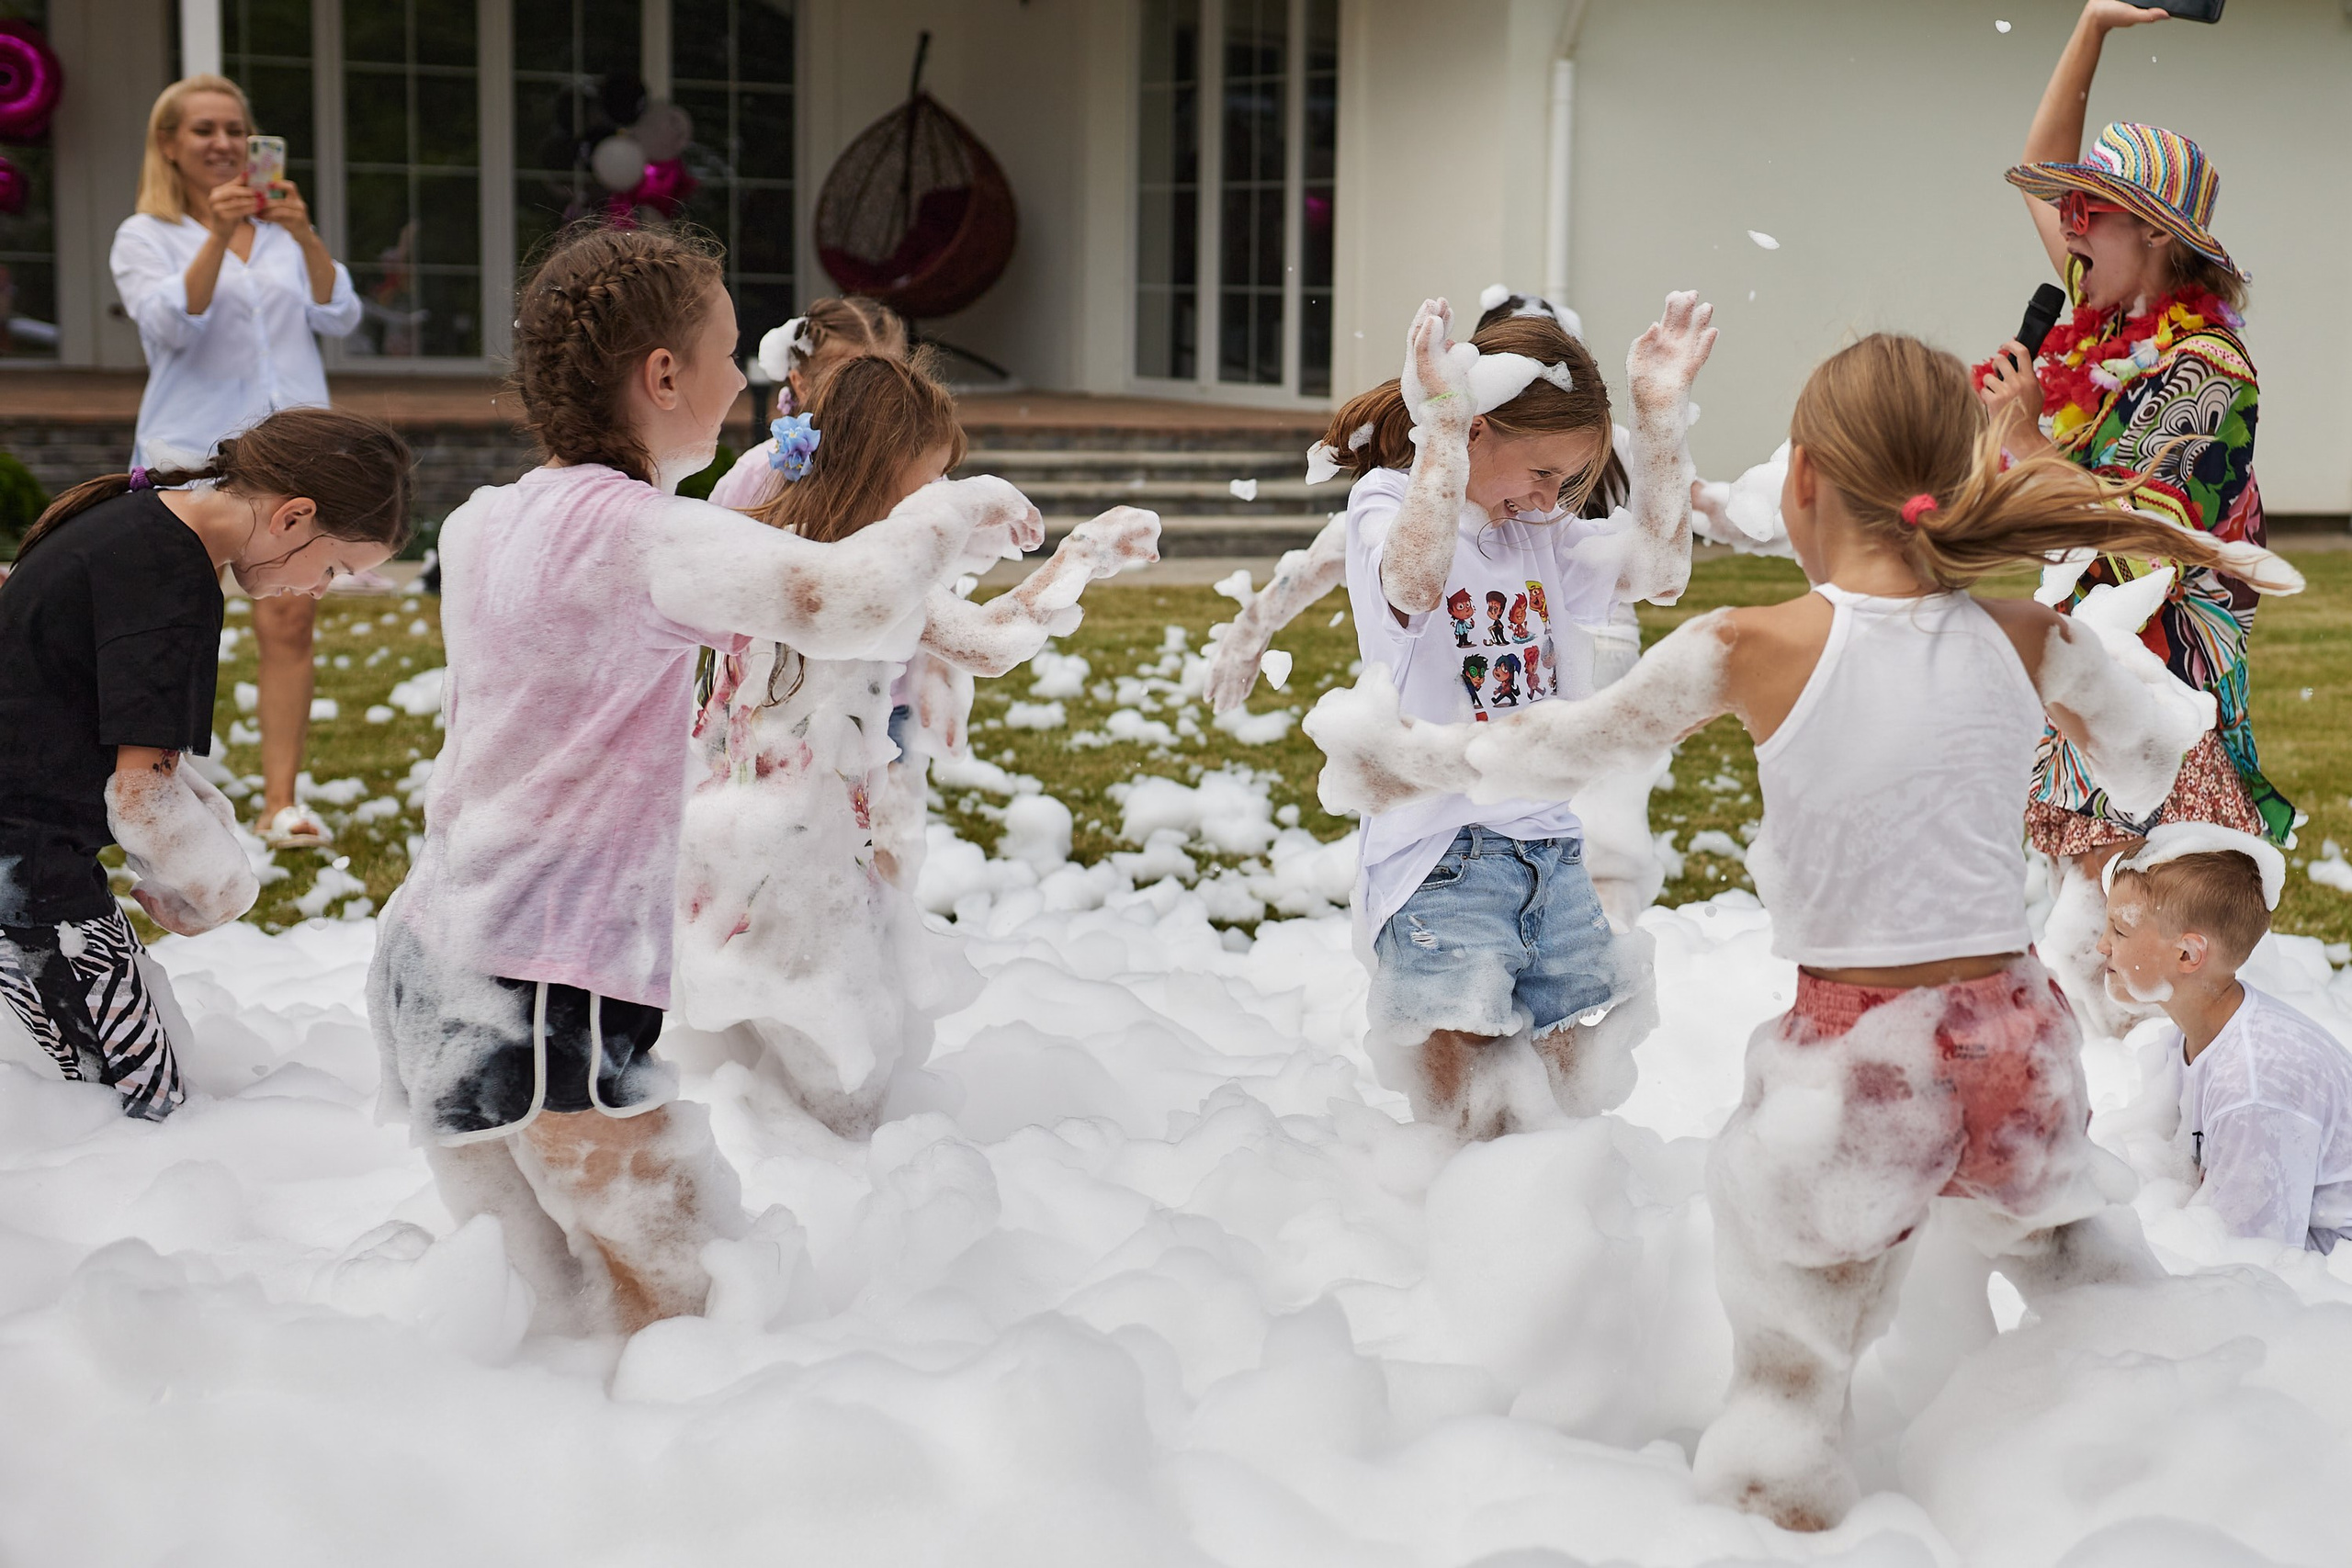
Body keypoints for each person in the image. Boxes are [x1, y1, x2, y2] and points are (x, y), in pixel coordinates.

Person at [1303, 333, 2301, 1531]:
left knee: (1793, 1361)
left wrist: (1396, 758)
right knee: (2076, 1266)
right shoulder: (2028, 635)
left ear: (1809, 481)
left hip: (1858, 1057)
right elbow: (2147, 760)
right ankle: (2174, 1465)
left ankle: (1784, 1517)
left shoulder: (1753, 646)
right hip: (2017, 1033)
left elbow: (1549, 746)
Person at [368, 223, 1032, 1337]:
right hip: (548, 973)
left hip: (434, 948)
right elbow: (850, 602)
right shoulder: (645, 538)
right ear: (661, 375)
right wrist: (952, 507)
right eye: (728, 354)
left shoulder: (486, 521)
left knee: (525, 1298)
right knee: (673, 1300)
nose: (747, 380)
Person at [673, 355, 1158, 1137]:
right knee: (843, 1100)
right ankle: (844, 1207)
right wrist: (1083, 557)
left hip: (726, 846)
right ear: (881, 470)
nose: (934, 504)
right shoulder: (863, 575)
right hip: (798, 868)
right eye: (926, 483)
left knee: (738, 1075)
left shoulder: (767, 540)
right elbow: (992, 641)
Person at [1306, 291, 1713, 1141]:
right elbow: (1414, 583)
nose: (1548, 499)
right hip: (1440, 856)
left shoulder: (1540, 536)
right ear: (1479, 431)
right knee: (1457, 1120)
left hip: (1549, 850)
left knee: (1571, 1097)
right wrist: (1442, 441)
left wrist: (1662, 422)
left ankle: (1555, 1239)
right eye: (1541, 474)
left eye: (1566, 484)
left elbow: (1661, 570)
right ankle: (1445, 1245)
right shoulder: (1391, 499)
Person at [1977, 1, 2288, 1035]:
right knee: (2088, 912)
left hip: (2163, 678)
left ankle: (2168, 1118)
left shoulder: (2209, 372)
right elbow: (2041, 159)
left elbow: (2133, 535)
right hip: (2094, 658)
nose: (2067, 226)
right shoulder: (2102, 316)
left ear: (2152, 234)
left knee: (2148, 918)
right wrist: (2092, 26)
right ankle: (2096, 1112)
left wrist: (2024, 442)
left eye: (2091, 215)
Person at [0, 408, 413, 1119]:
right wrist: (218, 890)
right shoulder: (174, 582)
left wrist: (203, 828)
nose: (318, 590)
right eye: (335, 566)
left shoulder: (140, 523)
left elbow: (126, 742)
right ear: (294, 517)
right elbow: (143, 797)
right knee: (141, 1104)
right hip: (24, 879)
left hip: (27, 853)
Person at [111, 74, 366, 852]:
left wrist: (309, 233)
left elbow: (341, 313)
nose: (222, 143)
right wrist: (217, 238)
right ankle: (156, 799)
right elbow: (172, 326)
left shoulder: (286, 236)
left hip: (293, 453)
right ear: (169, 145)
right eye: (203, 131)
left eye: (234, 129)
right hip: (190, 457)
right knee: (173, 626)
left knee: (289, 617)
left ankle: (280, 800)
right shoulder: (144, 235)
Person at [2099, 826, 2352, 1253]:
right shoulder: (2192, 1036)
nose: (2102, 945)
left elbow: (2254, 1263)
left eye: (2120, 932)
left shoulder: (2253, 1086)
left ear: (2188, 955)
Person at [707, 295, 911, 513]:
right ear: (802, 386)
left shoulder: (916, 468)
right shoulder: (757, 475)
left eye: (890, 380)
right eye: (851, 381)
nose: (874, 396)